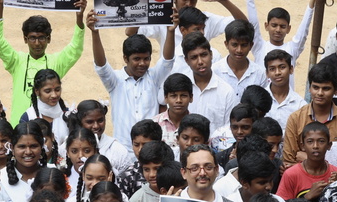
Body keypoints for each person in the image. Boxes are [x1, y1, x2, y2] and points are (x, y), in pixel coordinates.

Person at [0, 0, 87, 124]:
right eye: (32, 38)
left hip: (52, 131)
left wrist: (79, 17)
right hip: (20, 130)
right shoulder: (16, 61)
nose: (37, 43)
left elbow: (76, 48)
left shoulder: (56, 62)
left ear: (48, 39)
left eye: (41, 37)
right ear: (25, 39)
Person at [87, 11, 173, 148]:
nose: (142, 63)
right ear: (126, 58)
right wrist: (95, 33)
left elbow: (167, 60)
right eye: (137, 59)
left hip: (151, 149)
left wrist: (170, 31)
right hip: (123, 150)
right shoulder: (115, 81)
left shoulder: (154, 77)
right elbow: (101, 65)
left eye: (146, 59)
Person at [243, 0, 316, 66]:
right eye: (274, 25)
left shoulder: (293, 49)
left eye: (282, 26)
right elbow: (253, 23)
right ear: (266, 26)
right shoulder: (259, 47)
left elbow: (304, 27)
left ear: (288, 29)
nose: (278, 30)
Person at [282, 63, 337, 166]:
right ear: (309, 88)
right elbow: (288, 162)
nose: (319, 93)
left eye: (326, 88)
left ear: (336, 90)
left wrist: (307, 158)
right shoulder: (296, 118)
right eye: (315, 87)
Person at [276, 122, 337, 201]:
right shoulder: (291, 174)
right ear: (303, 146)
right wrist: (307, 197)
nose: (315, 146)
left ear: (329, 145)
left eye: (321, 141)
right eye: (310, 141)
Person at [181, 32, 236, 130]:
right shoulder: (180, 89)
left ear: (211, 55)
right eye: (194, 57)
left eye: (203, 55)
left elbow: (229, 130)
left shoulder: (226, 92)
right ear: (186, 61)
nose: (200, 62)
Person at [212, 19, 268, 101]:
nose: (239, 50)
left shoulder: (259, 74)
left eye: (244, 45)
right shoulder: (214, 71)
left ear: (251, 45)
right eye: (234, 45)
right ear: (226, 44)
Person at [118, 120, 164, 198]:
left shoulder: (169, 171)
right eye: (136, 145)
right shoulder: (127, 177)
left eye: (145, 144)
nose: (140, 150)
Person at [264, 49, 306, 130]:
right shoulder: (259, 100)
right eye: (272, 69)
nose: (277, 73)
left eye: (282, 67)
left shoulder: (300, 105)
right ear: (267, 73)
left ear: (291, 69)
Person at [155, 74, 194, 153]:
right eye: (173, 96)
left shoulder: (198, 125)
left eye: (183, 96)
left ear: (191, 97)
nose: (178, 100)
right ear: (166, 98)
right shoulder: (155, 124)